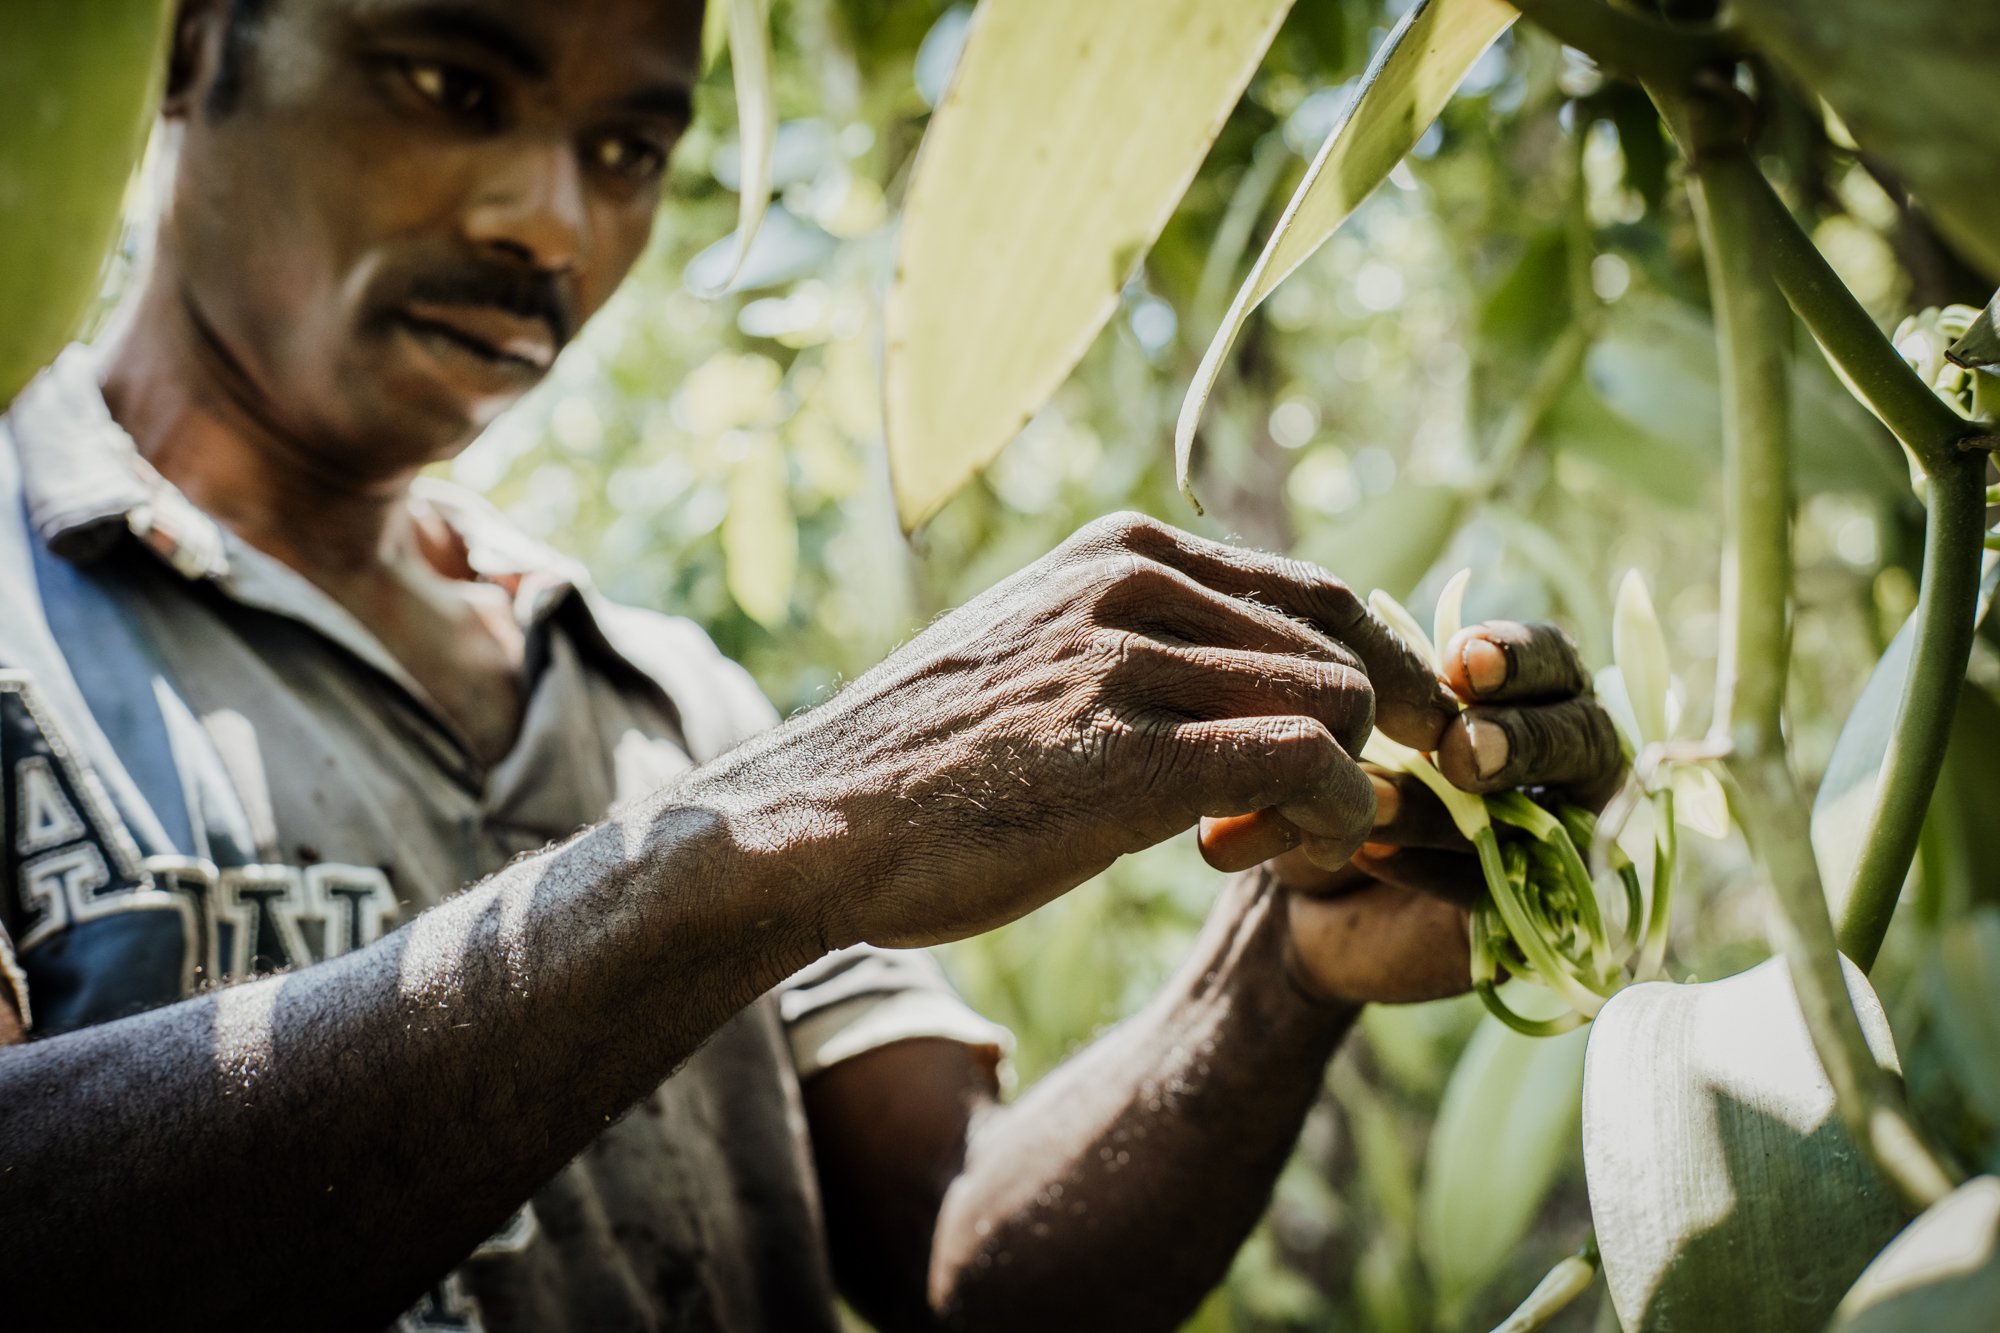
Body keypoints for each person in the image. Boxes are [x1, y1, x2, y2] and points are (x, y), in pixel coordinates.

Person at [0, 0, 1624, 1328]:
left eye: (629, 148)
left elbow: (959, 1265)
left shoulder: (665, 697)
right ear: (193, 44)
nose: (553, 221)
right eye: (451, 80)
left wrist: (1278, 970)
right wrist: (782, 837)